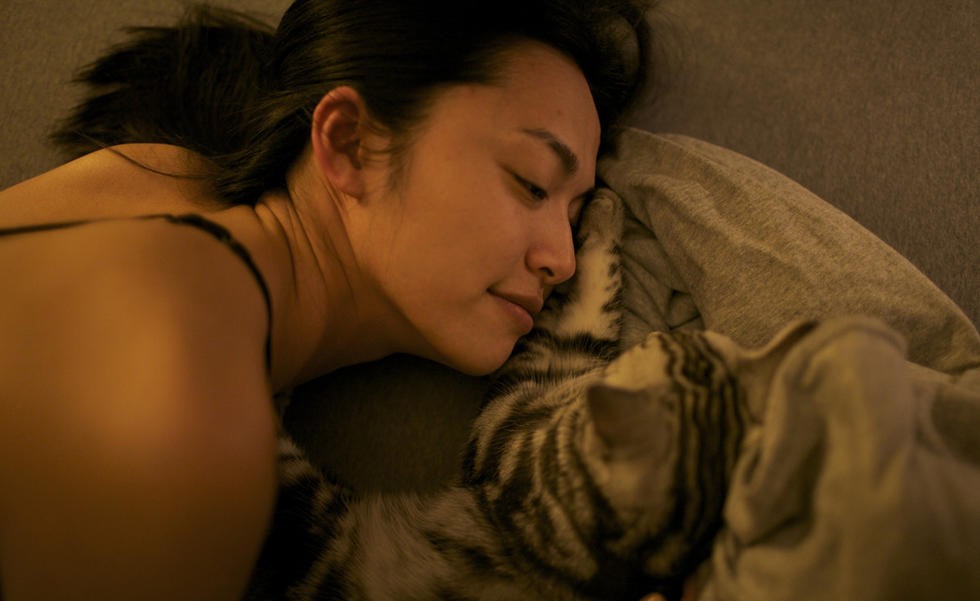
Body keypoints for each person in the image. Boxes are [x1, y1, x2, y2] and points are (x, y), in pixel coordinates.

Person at [0, 1, 669, 599]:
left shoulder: (149, 174)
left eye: (576, 213)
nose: (565, 259)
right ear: (349, 142)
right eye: (531, 182)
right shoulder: (187, 428)